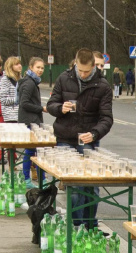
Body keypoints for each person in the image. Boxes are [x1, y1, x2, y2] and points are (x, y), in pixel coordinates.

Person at [46, 48, 113, 228]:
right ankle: (77, 226)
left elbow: (106, 119)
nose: (83, 74)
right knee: (75, 186)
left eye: (87, 71)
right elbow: (50, 105)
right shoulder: (63, 78)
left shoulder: (103, 86)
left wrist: (94, 134)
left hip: (88, 139)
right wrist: (60, 108)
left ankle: (90, 225)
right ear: (75, 63)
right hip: (65, 137)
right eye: (80, 70)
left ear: (93, 67)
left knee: (92, 186)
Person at [18, 57, 47, 188]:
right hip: (30, 122)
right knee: (32, 151)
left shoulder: (31, 82)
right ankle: (28, 179)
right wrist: (42, 108)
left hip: (31, 121)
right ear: (30, 67)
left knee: (34, 151)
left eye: (42, 68)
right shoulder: (29, 83)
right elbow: (24, 103)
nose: (40, 70)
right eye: (38, 67)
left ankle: (37, 179)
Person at [0, 56, 22, 122]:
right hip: (10, 116)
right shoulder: (5, 80)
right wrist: (17, 99)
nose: (20, 66)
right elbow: (3, 99)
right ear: (10, 66)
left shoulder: (20, 79)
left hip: (20, 115)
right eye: (16, 64)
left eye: (20, 64)